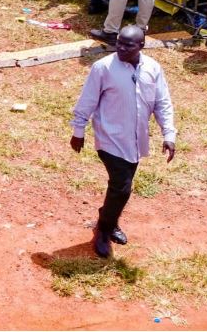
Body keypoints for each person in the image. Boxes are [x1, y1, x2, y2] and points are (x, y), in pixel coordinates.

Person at [70, 25, 177, 259]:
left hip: (136, 140)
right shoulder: (103, 68)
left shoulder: (153, 68)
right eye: (119, 42)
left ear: (142, 45)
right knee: (122, 186)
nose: (121, 47)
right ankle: (104, 231)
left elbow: (162, 102)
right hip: (110, 138)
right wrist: (78, 130)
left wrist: (168, 134)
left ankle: (109, 218)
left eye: (128, 45)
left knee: (120, 188)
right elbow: (87, 100)